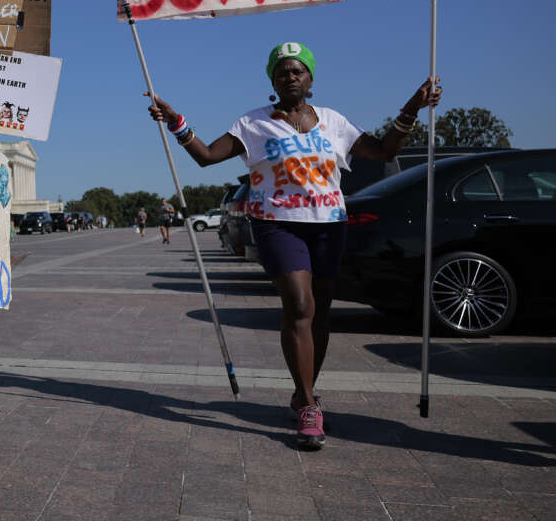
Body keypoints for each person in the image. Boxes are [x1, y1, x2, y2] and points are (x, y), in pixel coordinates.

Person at [146, 42, 441, 450]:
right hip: (276, 225)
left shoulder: (334, 122)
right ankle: (307, 404)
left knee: (320, 312)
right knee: (299, 306)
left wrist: (413, 105)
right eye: (282, 71)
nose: (290, 76)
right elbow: (207, 156)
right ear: (272, 80)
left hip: (328, 226)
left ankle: (306, 390)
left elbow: (385, 150)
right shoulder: (253, 124)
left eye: (298, 70)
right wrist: (175, 122)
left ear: (311, 80)